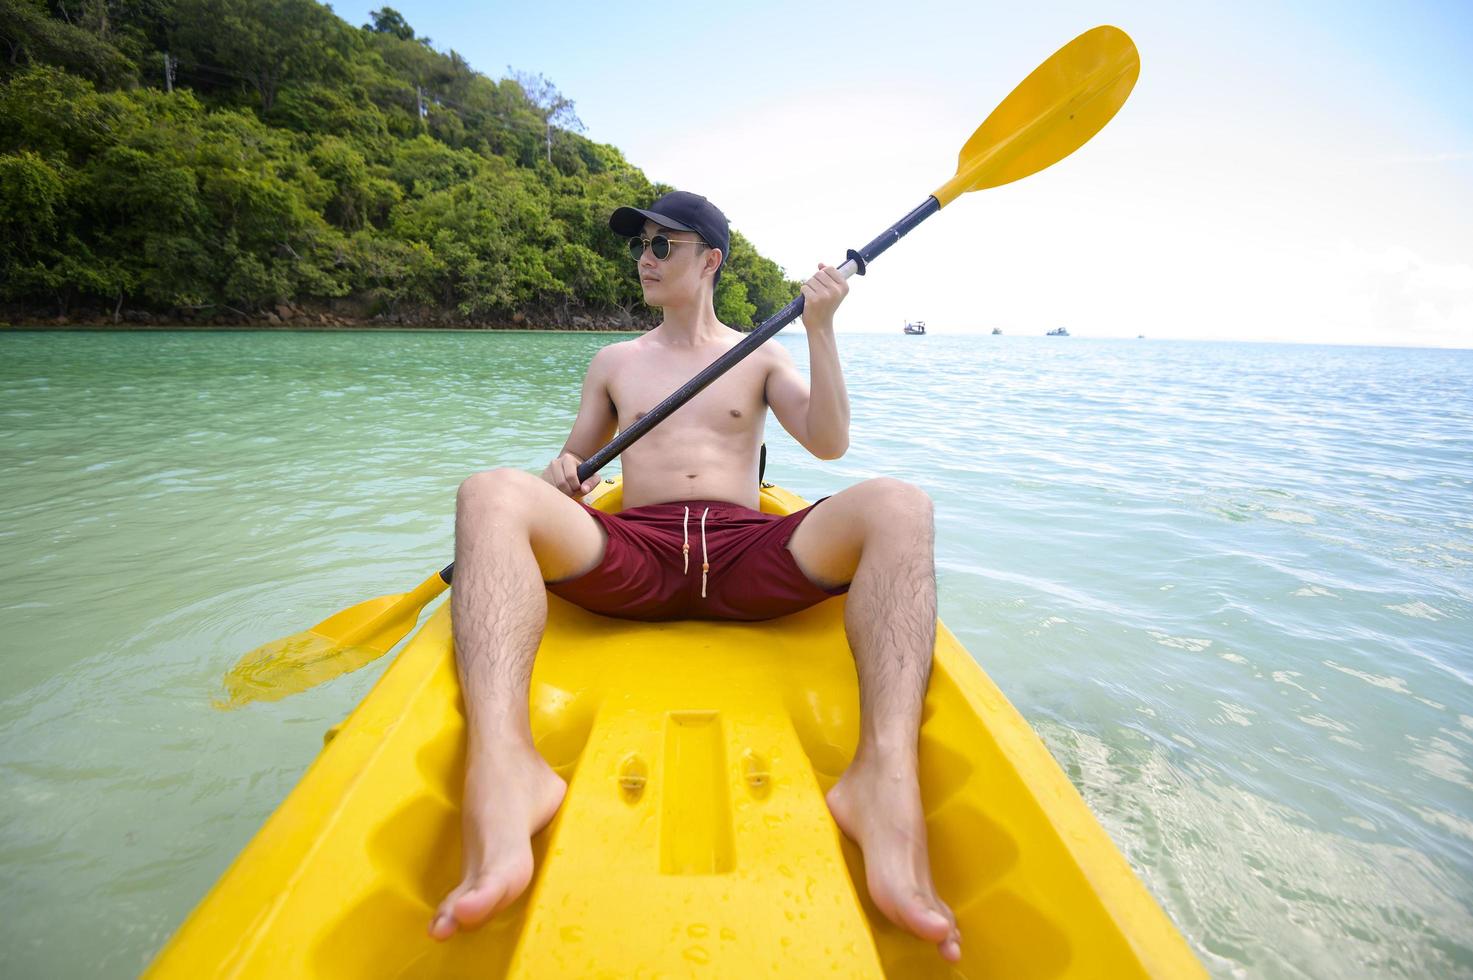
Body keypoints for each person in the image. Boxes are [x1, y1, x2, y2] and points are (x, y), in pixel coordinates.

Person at [431, 190, 961, 963]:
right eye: (639, 246)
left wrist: (819, 329)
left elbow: (829, 443)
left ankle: (882, 778)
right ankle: (506, 763)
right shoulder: (613, 363)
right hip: (636, 553)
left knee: (900, 505)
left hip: (744, 552)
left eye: (661, 246)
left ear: (709, 260)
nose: (643, 259)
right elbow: (567, 471)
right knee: (487, 491)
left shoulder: (764, 351)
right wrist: (561, 477)